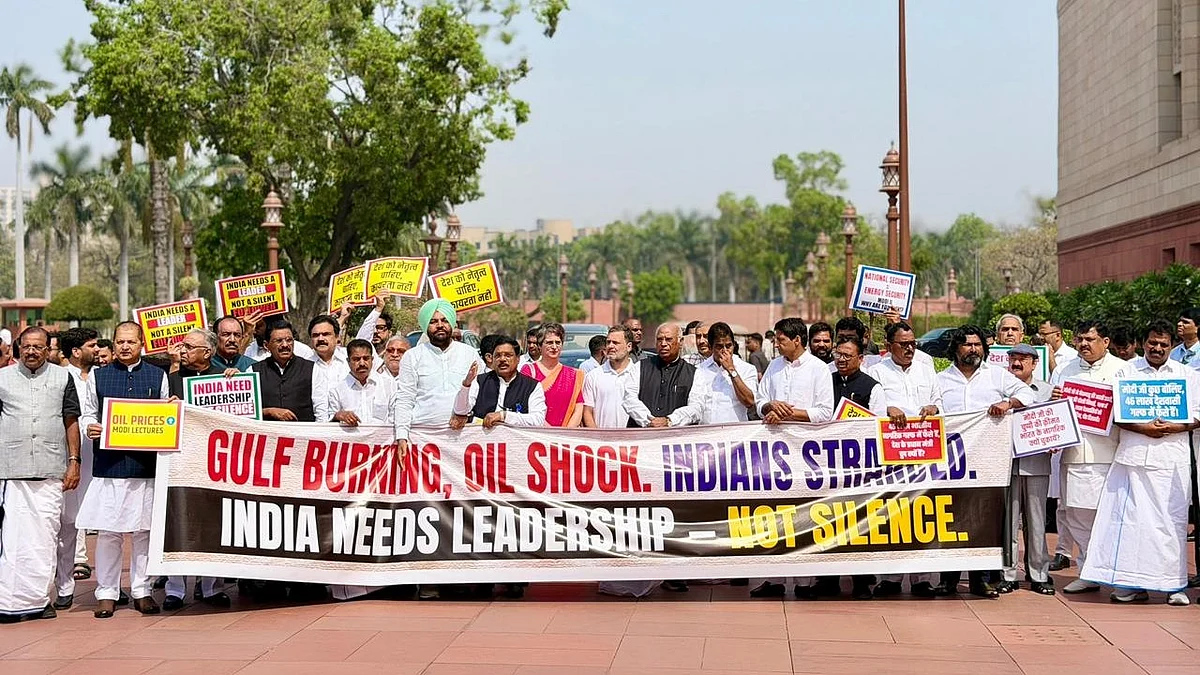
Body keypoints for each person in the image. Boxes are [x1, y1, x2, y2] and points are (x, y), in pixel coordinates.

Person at [1081, 320, 1199, 605]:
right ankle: (1132, 585)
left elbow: (1197, 414)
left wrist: (1174, 426)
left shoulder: (1188, 375)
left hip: (1171, 460)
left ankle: (1173, 586)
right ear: (1143, 343)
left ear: (1172, 346)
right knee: (1132, 524)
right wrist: (1144, 428)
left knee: (1171, 523)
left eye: (1163, 344)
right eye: (1152, 343)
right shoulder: (1127, 371)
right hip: (1133, 458)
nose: (1157, 349)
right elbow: (1119, 415)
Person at [77, 321, 168, 618]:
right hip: (110, 464)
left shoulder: (158, 375)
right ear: (113, 344)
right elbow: (88, 411)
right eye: (120, 342)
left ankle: (142, 590)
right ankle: (106, 592)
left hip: (145, 465)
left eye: (131, 341)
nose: (125, 347)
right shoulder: (99, 376)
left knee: (144, 531)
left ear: (142, 344)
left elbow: (165, 412)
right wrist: (89, 426)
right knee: (109, 531)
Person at [935, 325, 1034, 598]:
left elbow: (1029, 395)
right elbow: (933, 408)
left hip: (988, 461)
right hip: (951, 462)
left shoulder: (996, 376)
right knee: (951, 520)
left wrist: (1008, 403)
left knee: (983, 521)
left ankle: (982, 580)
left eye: (978, 345)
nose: (973, 349)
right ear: (956, 348)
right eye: (967, 345)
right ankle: (948, 580)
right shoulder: (941, 379)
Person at [392, 299, 481, 600]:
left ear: (453, 323)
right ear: (425, 325)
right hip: (422, 444)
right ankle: (428, 578)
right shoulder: (412, 357)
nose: (440, 325)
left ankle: (459, 577)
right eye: (433, 321)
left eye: (444, 320)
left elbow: (473, 395)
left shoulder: (469, 354)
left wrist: (462, 411)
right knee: (426, 511)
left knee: (460, 508)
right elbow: (404, 398)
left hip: (459, 442)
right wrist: (402, 436)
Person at [0, 326, 82, 623]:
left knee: (44, 538)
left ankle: (38, 600)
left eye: (39, 347)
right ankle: (8, 603)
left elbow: (71, 420)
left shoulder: (63, 377)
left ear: (49, 350)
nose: (32, 351)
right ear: (18, 348)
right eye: (27, 347)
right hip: (11, 470)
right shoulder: (2, 378)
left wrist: (74, 461)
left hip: (50, 469)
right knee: (12, 538)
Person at [752, 317, 834, 599]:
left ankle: (804, 581)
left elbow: (824, 413)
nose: (776, 343)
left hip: (806, 454)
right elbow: (759, 401)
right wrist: (769, 407)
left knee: (804, 514)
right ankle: (773, 579)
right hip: (774, 453)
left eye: (781, 339)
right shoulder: (774, 367)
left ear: (797, 340)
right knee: (772, 514)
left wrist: (789, 413)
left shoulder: (819, 370)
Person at [867, 321, 942, 598]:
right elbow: (869, 407)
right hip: (892, 455)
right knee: (893, 514)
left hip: (924, 453)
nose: (910, 348)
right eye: (904, 344)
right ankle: (891, 577)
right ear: (889, 346)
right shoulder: (875, 371)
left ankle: (922, 577)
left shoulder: (926, 367)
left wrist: (934, 407)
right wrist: (888, 407)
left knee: (924, 512)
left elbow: (938, 401)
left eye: (913, 343)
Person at [1051, 319, 1125, 594]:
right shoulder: (1065, 370)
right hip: (1073, 453)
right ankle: (1087, 571)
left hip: (1110, 454)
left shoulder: (1122, 370)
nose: (1083, 344)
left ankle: (1115, 574)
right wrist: (1054, 397)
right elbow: (1051, 409)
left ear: (1105, 342)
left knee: (1109, 517)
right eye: (1080, 339)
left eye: (1090, 339)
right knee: (1076, 516)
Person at [163, 329, 232, 610]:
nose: (182, 350)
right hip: (180, 461)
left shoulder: (225, 376)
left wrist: (235, 385)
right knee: (176, 523)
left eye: (189, 346)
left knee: (213, 523)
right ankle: (175, 589)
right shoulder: (172, 379)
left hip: (215, 462)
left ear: (208, 352)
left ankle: (211, 586)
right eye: (182, 345)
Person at [327, 339, 399, 602]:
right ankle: (350, 586)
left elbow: (395, 420)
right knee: (351, 522)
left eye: (366, 358)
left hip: (382, 467)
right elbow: (320, 424)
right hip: (350, 469)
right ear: (348, 362)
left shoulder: (387, 386)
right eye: (356, 359)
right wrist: (338, 416)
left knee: (381, 520)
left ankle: (382, 581)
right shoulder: (337, 390)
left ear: (372, 359)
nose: (361, 363)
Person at [824, 335, 887, 600]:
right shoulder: (826, 382)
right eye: (838, 355)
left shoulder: (872, 387)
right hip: (829, 466)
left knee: (860, 526)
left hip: (860, 468)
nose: (841, 361)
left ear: (861, 359)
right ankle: (827, 581)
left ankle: (861, 582)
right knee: (828, 523)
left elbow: (879, 424)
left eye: (847, 356)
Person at [1002, 344, 1056, 595]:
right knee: (1008, 521)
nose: (1017, 363)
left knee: (1036, 521)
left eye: (1023, 359)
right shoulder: (1001, 387)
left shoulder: (1047, 391)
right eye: (1013, 358)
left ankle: (1039, 573)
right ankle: (1008, 573)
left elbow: (1057, 422)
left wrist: (1057, 439)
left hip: (1036, 463)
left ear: (1034, 363)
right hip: (1005, 464)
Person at [54, 327, 99, 608]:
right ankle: (64, 587)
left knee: (107, 527)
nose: (98, 350)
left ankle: (109, 587)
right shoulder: (58, 378)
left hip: (101, 460)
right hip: (70, 460)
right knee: (68, 524)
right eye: (92, 345)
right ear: (75, 351)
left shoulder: (102, 376)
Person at [454, 337, 546, 429]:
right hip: (483, 440)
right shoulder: (480, 381)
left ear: (518, 359)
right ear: (492, 359)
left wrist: (504, 416)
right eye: (497, 356)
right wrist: (466, 385)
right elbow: (460, 411)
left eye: (508, 355)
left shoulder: (532, 386)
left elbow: (538, 420)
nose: (502, 359)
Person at [252, 321, 329, 424]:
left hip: (302, 436)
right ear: (267, 345)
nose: (285, 345)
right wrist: (268, 412)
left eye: (289, 340)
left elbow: (321, 412)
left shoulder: (312, 369)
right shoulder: (254, 371)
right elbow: (248, 412)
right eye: (279, 341)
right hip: (268, 436)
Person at [520, 323, 584, 428]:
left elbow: (578, 408)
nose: (554, 347)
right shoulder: (529, 371)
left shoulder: (573, 375)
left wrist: (565, 434)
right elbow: (524, 405)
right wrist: (550, 433)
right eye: (549, 343)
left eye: (558, 342)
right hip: (536, 435)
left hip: (566, 437)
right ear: (540, 346)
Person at [694, 322, 759, 423]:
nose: (725, 351)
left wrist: (731, 370)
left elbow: (749, 402)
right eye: (719, 347)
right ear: (711, 347)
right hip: (706, 434)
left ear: (733, 345)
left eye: (728, 346)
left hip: (734, 434)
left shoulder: (747, 369)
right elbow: (695, 404)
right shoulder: (700, 370)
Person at [583, 327, 640, 430]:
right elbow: (587, 411)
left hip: (632, 442)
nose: (610, 346)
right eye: (608, 342)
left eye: (615, 343)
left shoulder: (639, 375)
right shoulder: (593, 376)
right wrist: (597, 437)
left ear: (629, 346)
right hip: (602, 442)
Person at [307, 314, 351, 394]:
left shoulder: (350, 358)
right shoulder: (305, 366)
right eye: (316, 335)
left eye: (326, 334)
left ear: (337, 337)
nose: (320, 339)